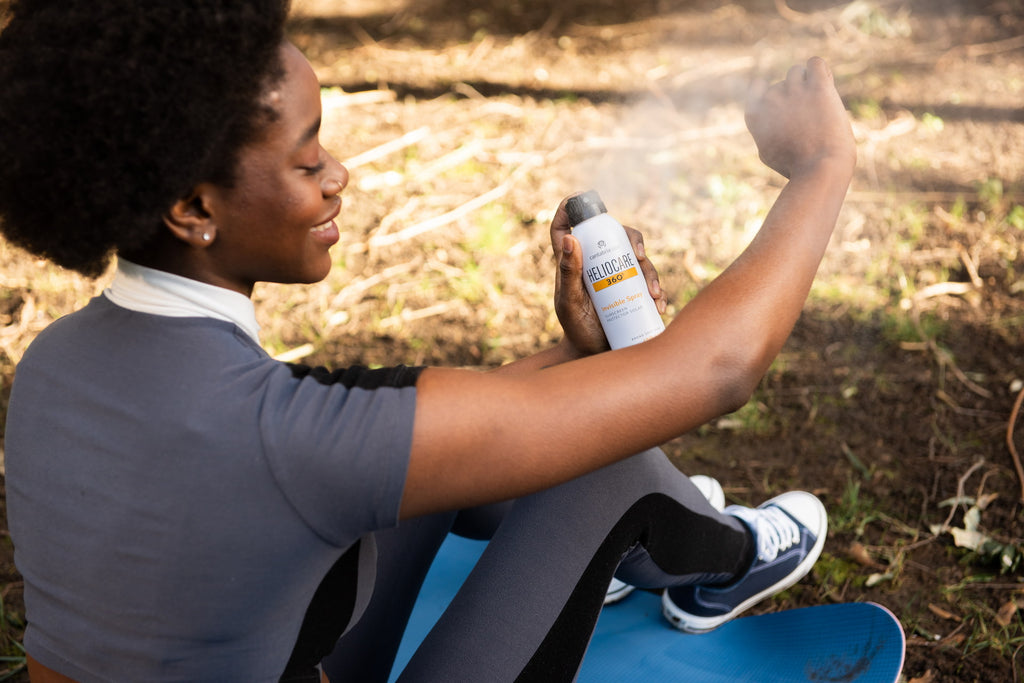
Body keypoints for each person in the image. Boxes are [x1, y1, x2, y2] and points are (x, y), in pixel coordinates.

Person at [0, 1, 856, 681]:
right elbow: (716, 368)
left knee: (476, 438)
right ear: (192, 209)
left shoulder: (53, 365)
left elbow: (360, 426)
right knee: (610, 468)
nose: (340, 176)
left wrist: (579, 361)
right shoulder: (277, 440)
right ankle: (725, 560)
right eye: (307, 162)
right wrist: (823, 168)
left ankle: (669, 544)